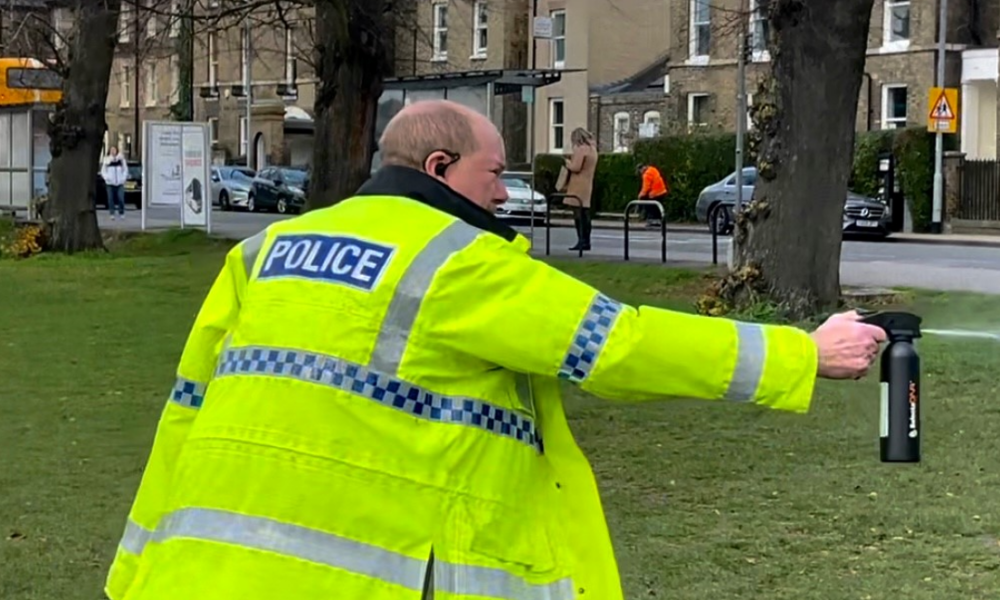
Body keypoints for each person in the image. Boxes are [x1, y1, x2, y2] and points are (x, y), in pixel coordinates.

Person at [105, 99, 886, 600]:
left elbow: (185, 413)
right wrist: (800, 356)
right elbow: (617, 345)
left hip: (202, 572)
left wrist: (131, 571)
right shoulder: (458, 261)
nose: (506, 194)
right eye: (495, 173)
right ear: (440, 169)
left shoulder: (266, 250)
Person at [562, 127, 598, 252]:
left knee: (578, 214)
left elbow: (576, 167)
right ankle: (586, 240)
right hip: (588, 183)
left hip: (578, 184)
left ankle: (581, 241)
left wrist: (567, 163)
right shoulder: (592, 149)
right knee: (585, 213)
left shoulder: (580, 149)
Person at [637, 163, 668, 228]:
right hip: (662, 191)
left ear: (642, 169)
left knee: (650, 207)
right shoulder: (653, 169)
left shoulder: (646, 175)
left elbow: (646, 188)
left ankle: (653, 221)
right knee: (658, 208)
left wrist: (640, 195)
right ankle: (659, 221)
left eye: (640, 171)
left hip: (655, 193)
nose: (640, 172)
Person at [102, 147, 128, 220]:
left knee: (121, 198)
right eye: (111, 150)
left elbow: (125, 170)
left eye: (114, 150)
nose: (113, 151)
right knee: (110, 199)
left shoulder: (121, 160)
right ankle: (112, 213)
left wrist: (123, 179)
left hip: (119, 182)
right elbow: (103, 171)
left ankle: (121, 212)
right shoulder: (106, 160)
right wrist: (107, 178)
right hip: (110, 183)